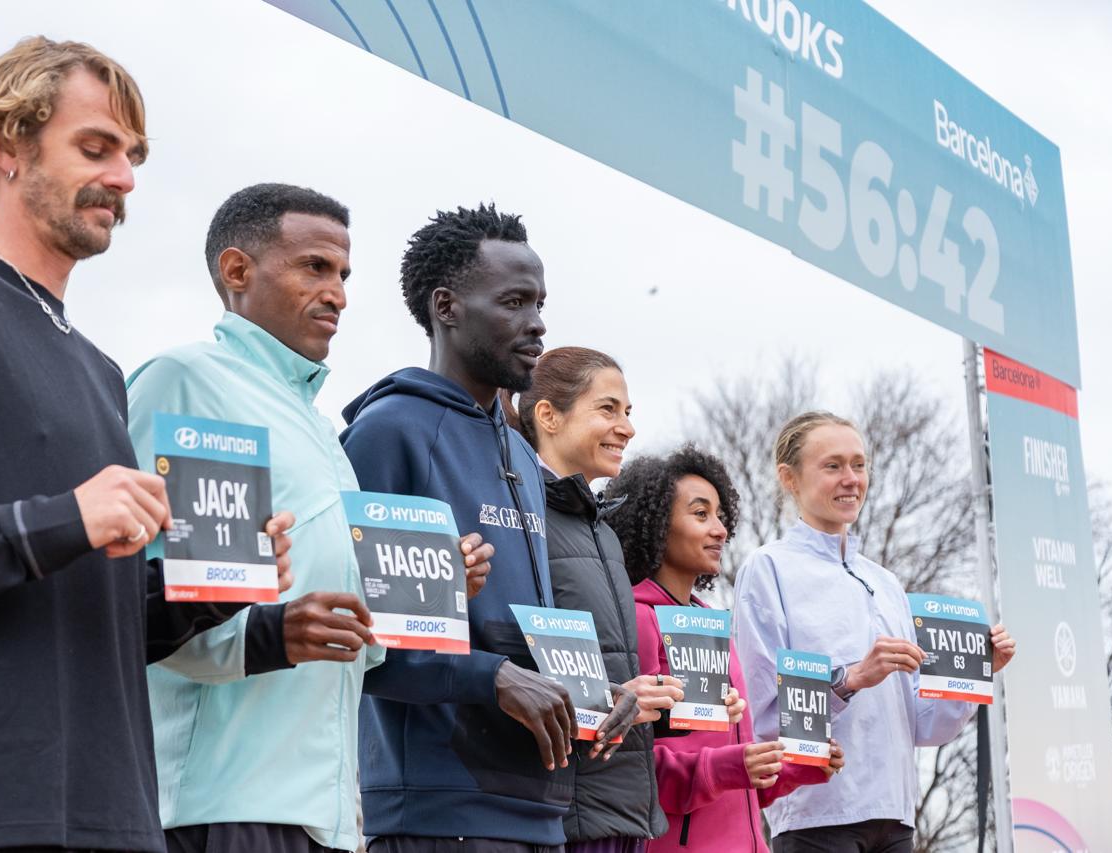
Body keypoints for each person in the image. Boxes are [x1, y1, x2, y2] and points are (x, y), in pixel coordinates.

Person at [0, 38, 291, 853]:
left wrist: (216, 586)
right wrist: (57, 520)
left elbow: (92, 611)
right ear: (6, 146)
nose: (124, 178)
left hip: (113, 815)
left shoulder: (100, 370)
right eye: (96, 148)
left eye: (132, 156)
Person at [126, 184, 496, 853]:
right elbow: (143, 608)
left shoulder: (322, 430)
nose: (339, 295)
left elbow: (353, 643)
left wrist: (434, 590)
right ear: (237, 271)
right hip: (219, 802)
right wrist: (280, 632)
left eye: (344, 275)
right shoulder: (192, 379)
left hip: (329, 813)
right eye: (315, 267)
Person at [342, 205, 636, 853]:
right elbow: (363, 639)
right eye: (513, 302)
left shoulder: (523, 457)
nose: (538, 323)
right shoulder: (391, 431)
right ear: (446, 306)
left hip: (539, 807)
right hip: (438, 810)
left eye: (540, 303)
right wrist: (493, 677)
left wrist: (591, 691)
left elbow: (520, 635)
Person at [505, 347, 752, 852]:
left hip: (623, 813)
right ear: (549, 416)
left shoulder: (602, 534)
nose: (627, 428)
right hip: (564, 812)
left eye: (629, 411)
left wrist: (677, 707)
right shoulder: (518, 517)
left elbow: (607, 683)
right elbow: (516, 664)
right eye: (608, 409)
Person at [733, 412, 1016, 852]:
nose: (851, 479)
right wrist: (851, 679)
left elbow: (924, 726)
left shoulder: (886, 583)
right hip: (815, 815)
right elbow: (763, 717)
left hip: (896, 817)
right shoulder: (767, 568)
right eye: (832, 466)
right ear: (789, 478)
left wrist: (976, 672)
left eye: (859, 464)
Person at [608, 445, 841, 853]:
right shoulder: (638, 618)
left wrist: (799, 765)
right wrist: (728, 766)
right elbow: (629, 763)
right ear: (656, 525)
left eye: (720, 516)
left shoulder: (716, 627)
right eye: (701, 514)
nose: (720, 530)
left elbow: (741, 785)